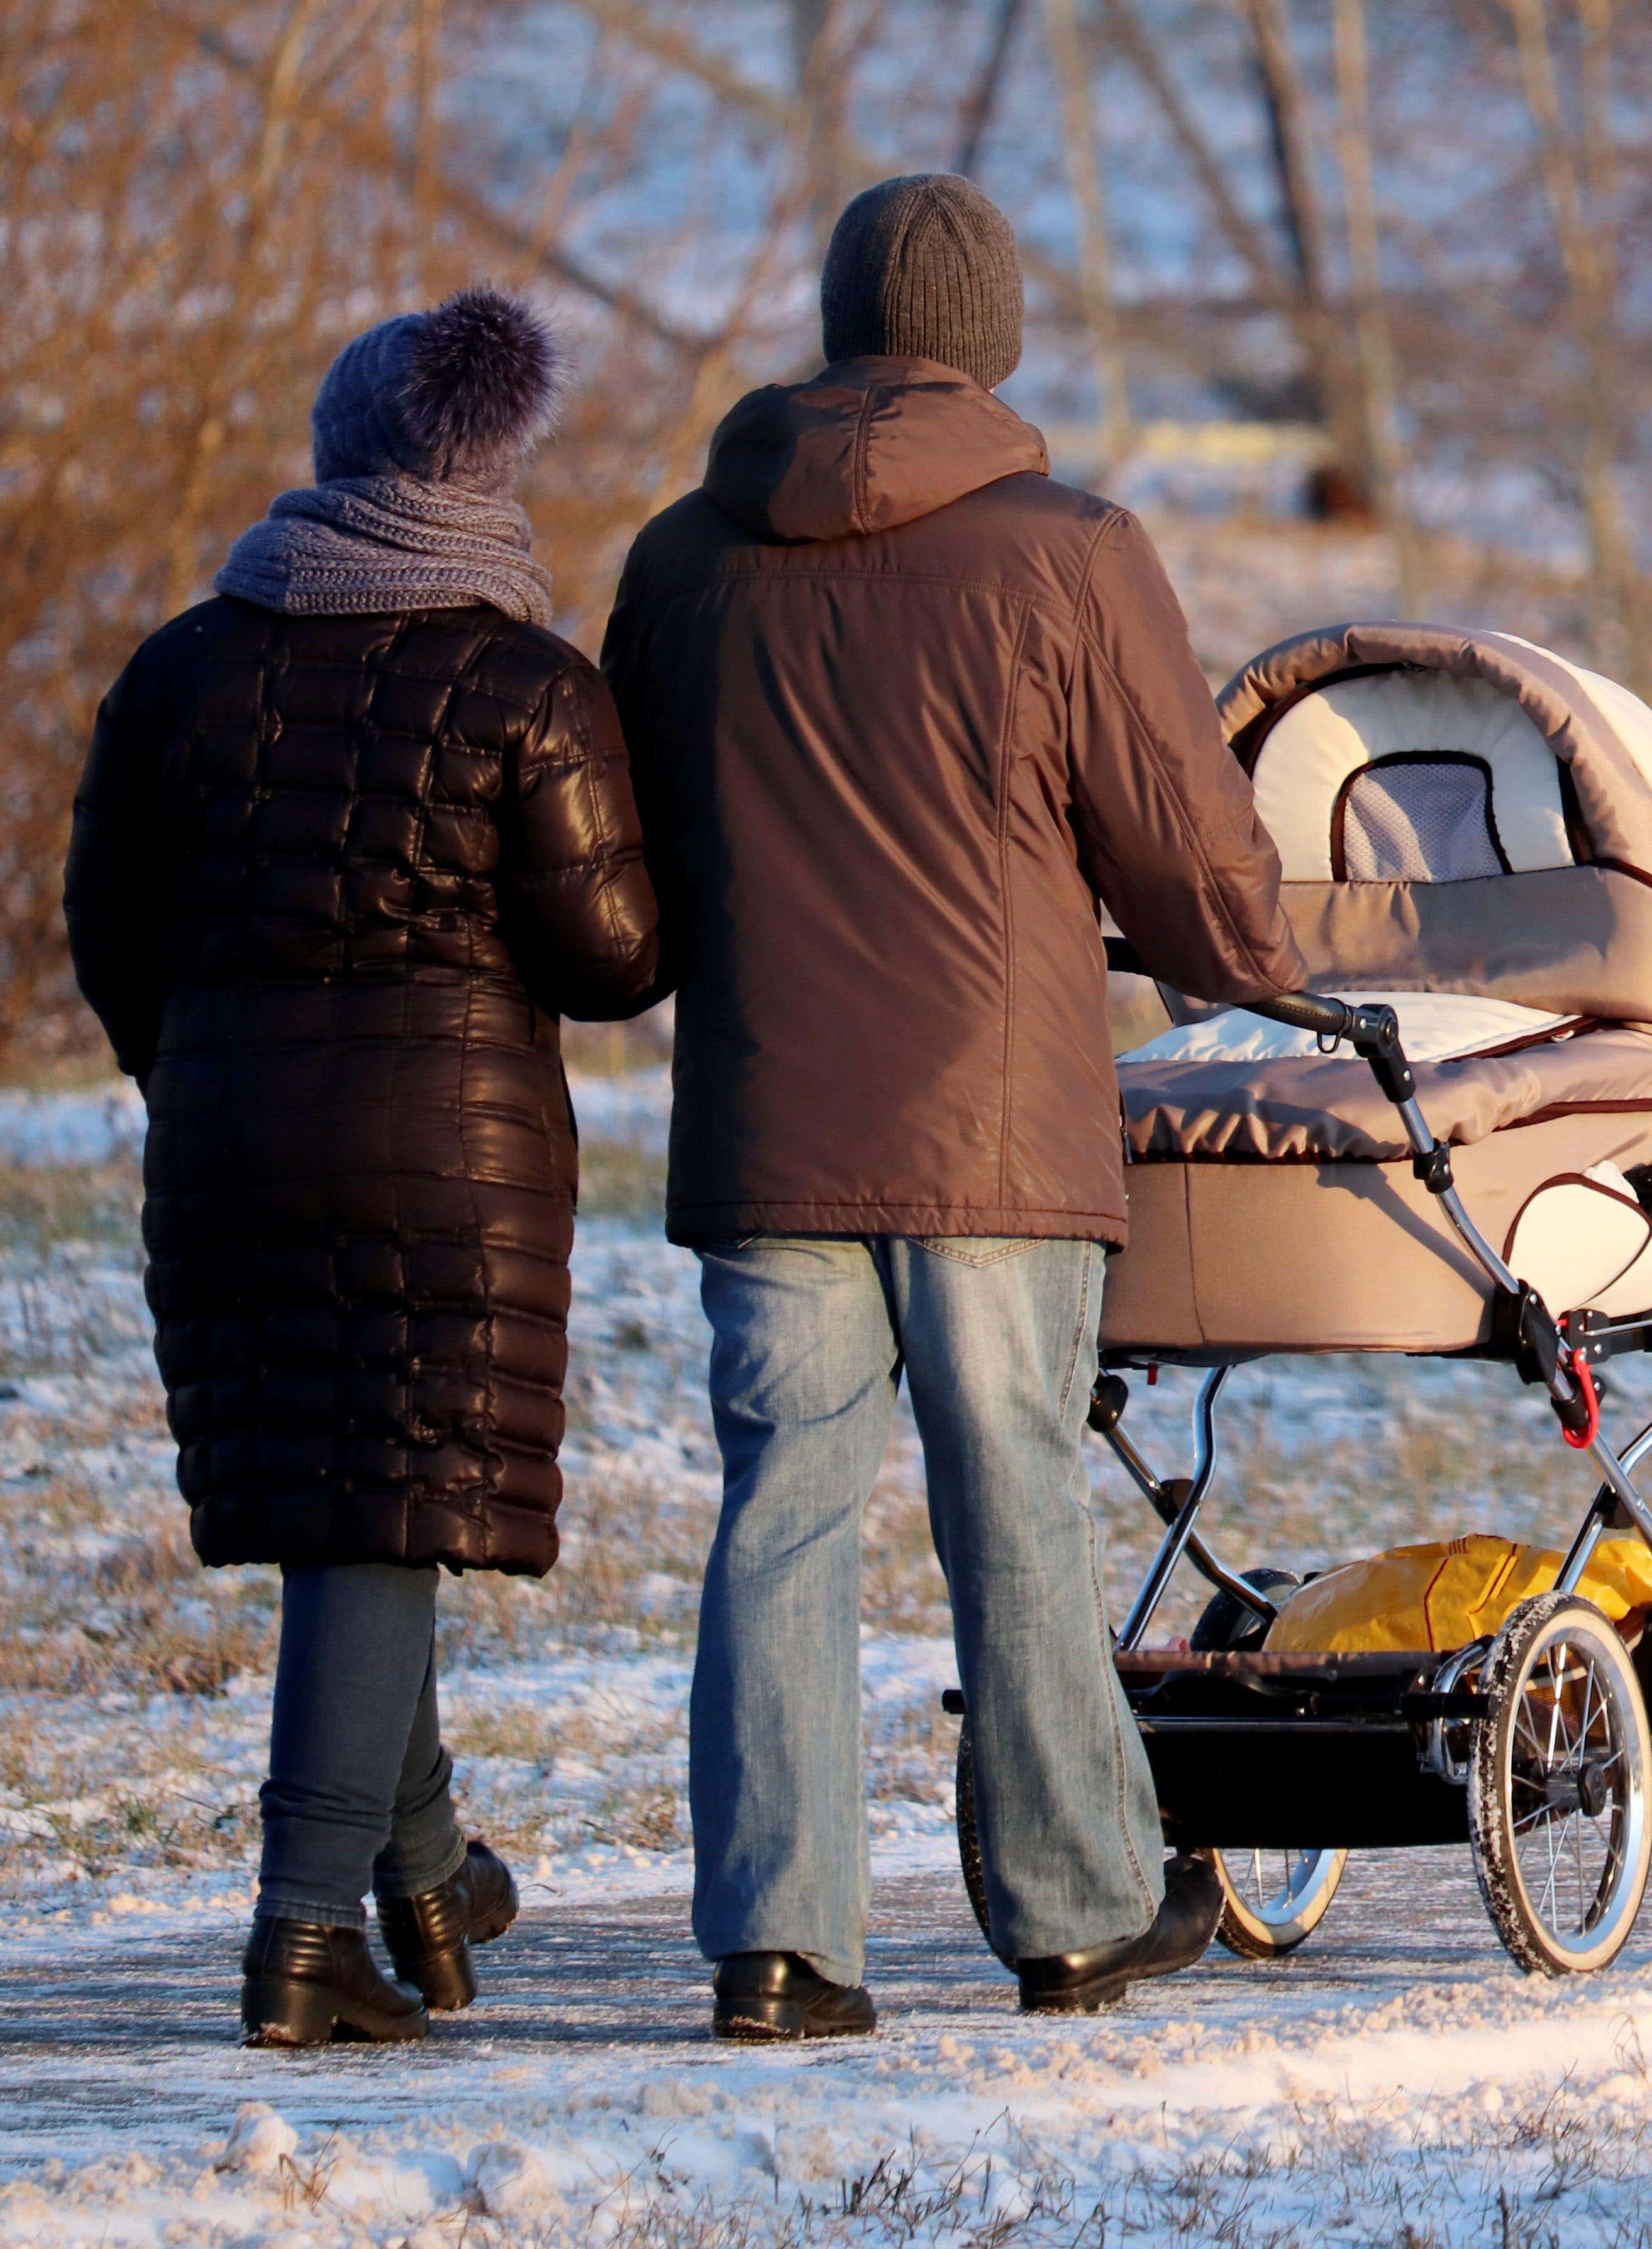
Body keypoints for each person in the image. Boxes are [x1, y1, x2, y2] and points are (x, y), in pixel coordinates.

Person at [603, 174, 1304, 2043]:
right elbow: (1189, 857)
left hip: (767, 1115)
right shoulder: (1068, 552)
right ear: (992, 335)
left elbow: (637, 859)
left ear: (841, 323)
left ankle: (778, 1944)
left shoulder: (680, 561)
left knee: (780, 1511)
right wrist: (1262, 958)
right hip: (993, 1121)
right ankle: (1074, 1913)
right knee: (1015, 1506)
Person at [64, 290, 662, 2047]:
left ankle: (429, 1876)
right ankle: (307, 1933)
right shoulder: (527, 683)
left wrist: (185, 1064)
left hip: (229, 1139)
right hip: (443, 1158)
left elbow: (109, 922)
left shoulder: (187, 662)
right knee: (378, 1517)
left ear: (336, 458)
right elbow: (617, 955)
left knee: (355, 1506)